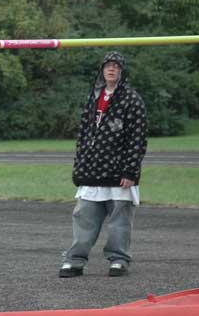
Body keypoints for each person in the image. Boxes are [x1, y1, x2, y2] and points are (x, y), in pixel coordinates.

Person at [58, 51, 148, 278]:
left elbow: (137, 138)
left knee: (119, 221)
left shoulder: (132, 99)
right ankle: (75, 260)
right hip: (92, 171)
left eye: (116, 66)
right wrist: (79, 167)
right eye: (108, 65)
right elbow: (84, 134)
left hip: (119, 173)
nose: (111, 69)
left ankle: (118, 260)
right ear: (102, 70)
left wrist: (130, 171)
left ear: (122, 71)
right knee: (83, 217)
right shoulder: (93, 96)